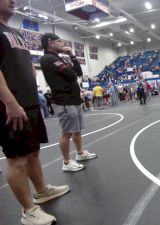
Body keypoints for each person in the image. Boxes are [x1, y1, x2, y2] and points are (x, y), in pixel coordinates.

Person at [0, 1, 70, 224]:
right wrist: (9, 102)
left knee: (33, 152)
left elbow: (27, 64)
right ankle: (28, 210)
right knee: (17, 159)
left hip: (29, 102)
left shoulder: (14, 32)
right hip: (10, 106)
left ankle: (41, 191)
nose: (13, 1)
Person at [40, 33, 97, 172]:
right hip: (64, 101)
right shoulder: (48, 58)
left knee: (76, 129)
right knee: (67, 132)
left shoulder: (58, 58)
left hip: (73, 99)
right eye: (59, 41)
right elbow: (72, 75)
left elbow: (78, 71)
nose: (62, 44)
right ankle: (66, 162)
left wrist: (72, 55)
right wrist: (70, 69)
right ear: (50, 43)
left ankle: (80, 153)